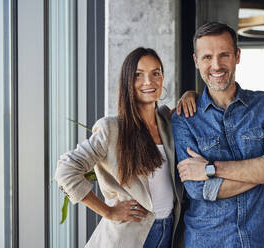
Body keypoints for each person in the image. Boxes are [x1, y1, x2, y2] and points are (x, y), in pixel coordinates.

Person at [55, 47, 195, 248]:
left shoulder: (166, 120)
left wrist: (190, 94)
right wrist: (108, 211)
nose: (149, 81)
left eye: (155, 73)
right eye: (139, 75)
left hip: (168, 232)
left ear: (162, 78)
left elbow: (191, 108)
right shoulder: (112, 128)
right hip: (128, 237)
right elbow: (65, 170)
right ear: (127, 81)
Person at [171, 22, 264, 248]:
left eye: (224, 54)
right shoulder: (184, 118)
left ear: (237, 56)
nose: (216, 65)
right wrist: (261, 173)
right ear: (196, 61)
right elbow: (198, 188)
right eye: (207, 57)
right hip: (209, 241)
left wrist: (211, 169)